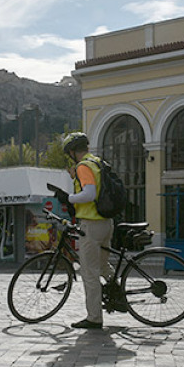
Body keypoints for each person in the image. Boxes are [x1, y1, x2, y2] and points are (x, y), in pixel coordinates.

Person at [54, 132, 113, 329]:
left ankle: (94, 318)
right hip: (106, 222)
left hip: (91, 225)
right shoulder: (97, 162)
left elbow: (89, 194)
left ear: (72, 151)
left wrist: (68, 198)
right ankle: (117, 292)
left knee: (89, 272)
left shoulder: (84, 166)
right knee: (103, 266)